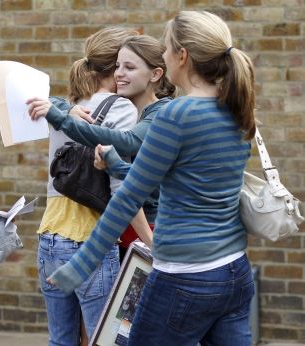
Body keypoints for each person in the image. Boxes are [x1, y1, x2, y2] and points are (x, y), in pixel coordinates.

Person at [47, 10, 257, 346]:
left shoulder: (176, 114)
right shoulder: (235, 108)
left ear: (182, 57)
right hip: (234, 273)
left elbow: (129, 197)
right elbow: (185, 181)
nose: (164, 54)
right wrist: (116, 165)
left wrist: (78, 267)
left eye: (166, 48)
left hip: (184, 277)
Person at [28, 27, 141, 346]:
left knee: (61, 340)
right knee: (102, 339)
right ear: (117, 66)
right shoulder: (120, 109)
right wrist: (149, 240)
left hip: (49, 239)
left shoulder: (67, 106)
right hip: (89, 240)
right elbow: (122, 187)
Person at [28, 34, 176, 259]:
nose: (119, 73)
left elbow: (128, 142)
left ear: (155, 75)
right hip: (120, 228)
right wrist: (65, 109)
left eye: (129, 67)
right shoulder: (120, 107)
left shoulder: (160, 112)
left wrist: (61, 118)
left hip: (149, 227)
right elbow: (55, 100)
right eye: (117, 66)